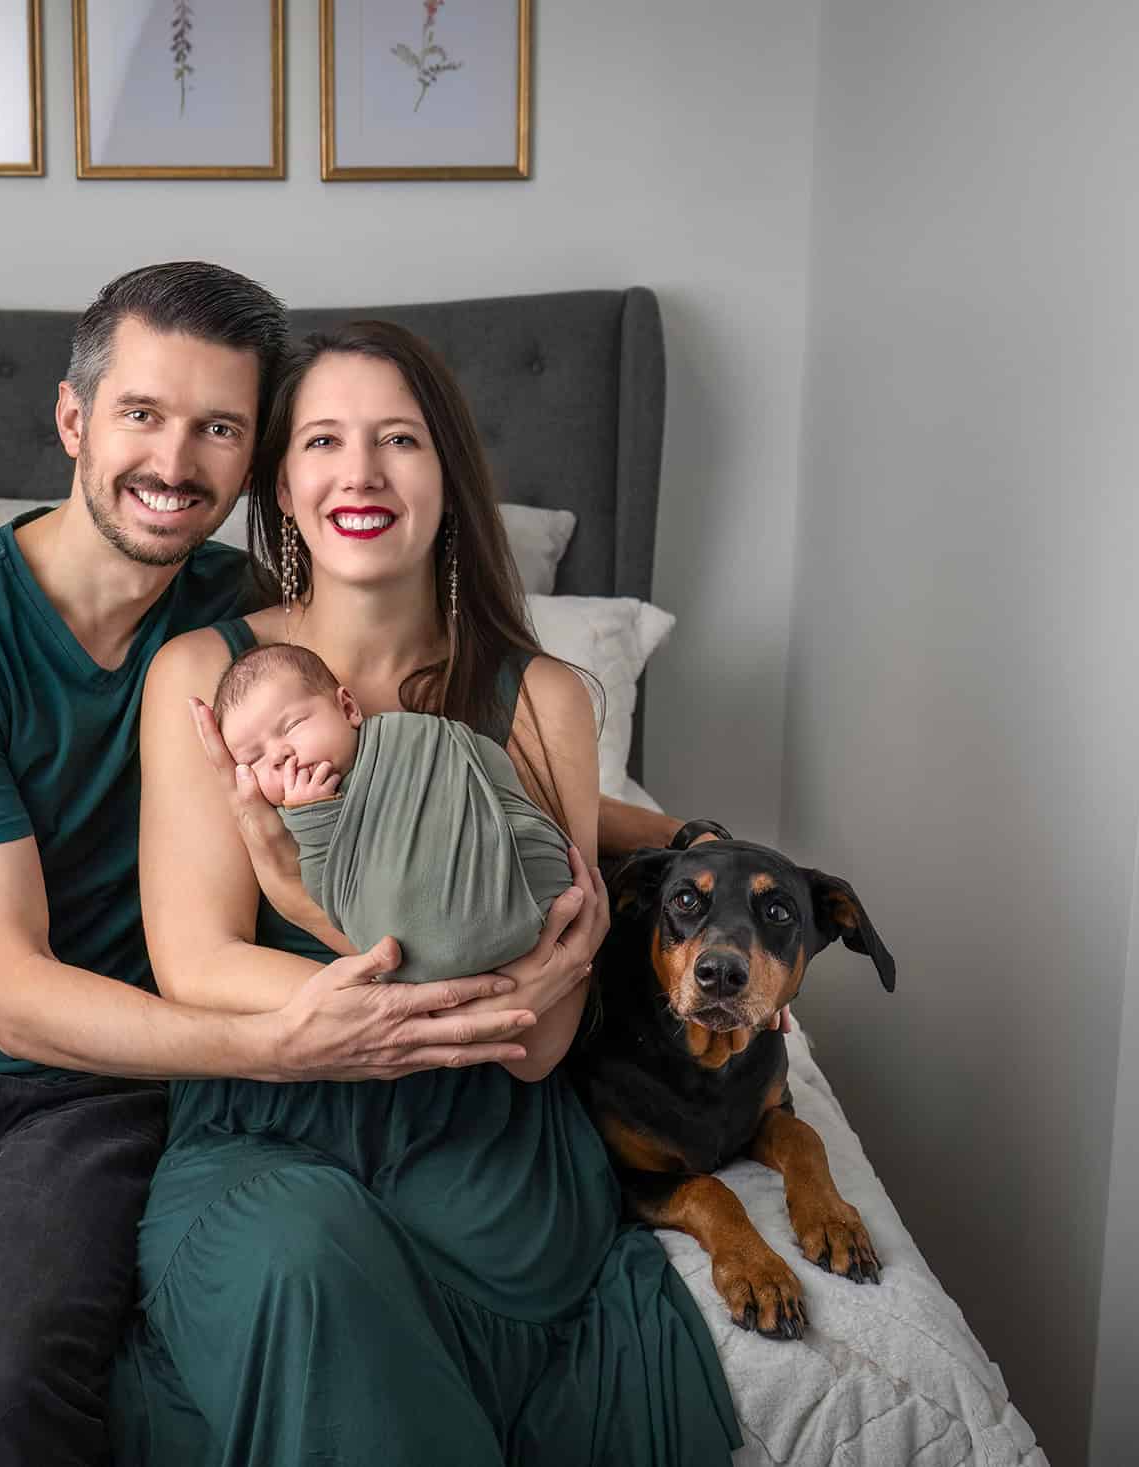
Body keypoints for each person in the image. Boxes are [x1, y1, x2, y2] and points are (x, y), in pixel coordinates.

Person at [0, 264, 592, 1467]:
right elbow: (12, 989)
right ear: (72, 421)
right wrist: (285, 1044)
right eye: (142, 415)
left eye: (217, 428)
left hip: (96, 1094)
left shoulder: (243, 622)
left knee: (4, 1392)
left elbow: (412, 753)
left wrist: (647, 844)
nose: (174, 460)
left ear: (252, 465)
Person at [110, 321, 744, 1465]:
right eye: (322, 442)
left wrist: (315, 930)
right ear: (281, 485)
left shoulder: (541, 696)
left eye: (396, 440)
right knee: (297, 1256)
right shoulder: (201, 676)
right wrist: (467, 990)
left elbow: (543, 1040)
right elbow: (195, 965)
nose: (358, 473)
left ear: (445, 476)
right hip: (267, 1130)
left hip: (487, 1162)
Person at [211, 640, 576, 994]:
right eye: (254, 758)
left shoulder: (417, 739)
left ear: (348, 708)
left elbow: (486, 774)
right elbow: (330, 893)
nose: (279, 755)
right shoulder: (301, 820)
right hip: (423, 952)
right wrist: (312, 818)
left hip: (524, 887)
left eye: (291, 726)